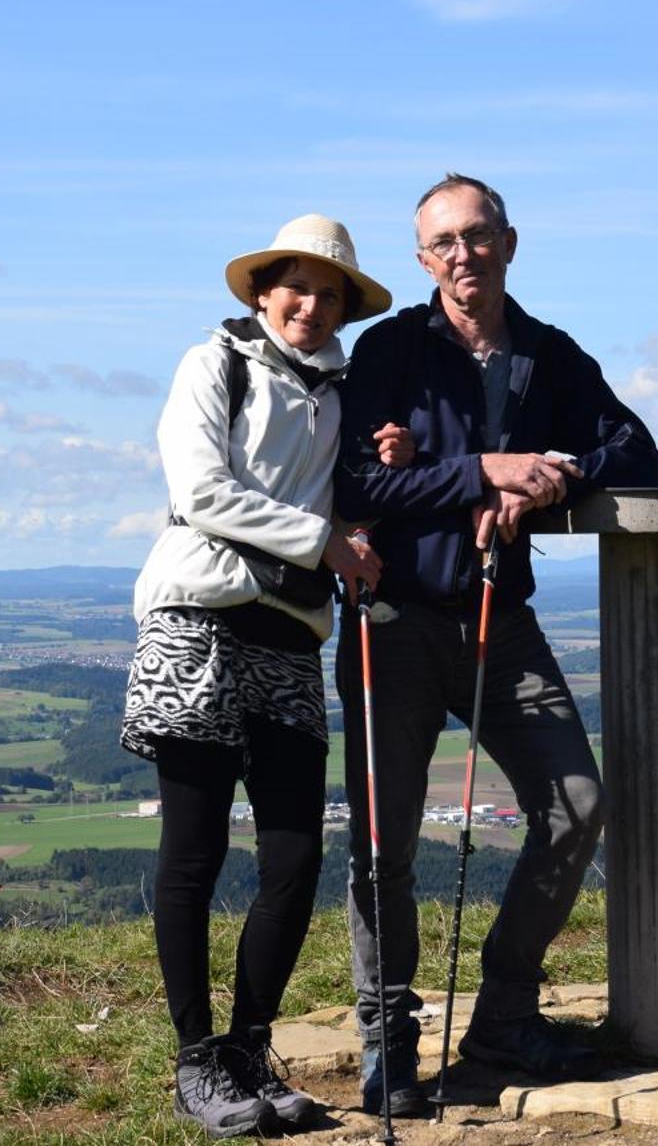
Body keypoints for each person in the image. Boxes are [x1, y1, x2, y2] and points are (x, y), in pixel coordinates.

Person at [334, 174, 658, 1114]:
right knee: (381, 844)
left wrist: (554, 476)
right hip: (391, 621)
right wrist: (479, 470)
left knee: (575, 804)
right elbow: (357, 486)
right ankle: (388, 1044)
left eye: (477, 236)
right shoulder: (390, 349)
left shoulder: (548, 354)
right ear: (421, 259)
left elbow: (638, 452)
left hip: (495, 619)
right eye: (443, 243)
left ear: (510, 243)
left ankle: (504, 1011)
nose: (462, 255)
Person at [122, 213, 396, 1139]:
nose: (311, 305)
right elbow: (197, 489)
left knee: (293, 857)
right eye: (297, 287)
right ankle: (198, 1060)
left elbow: (352, 494)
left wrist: (379, 464)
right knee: (193, 853)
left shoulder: (345, 391)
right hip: (196, 616)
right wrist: (322, 538)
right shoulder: (214, 364)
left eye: (329, 294)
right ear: (261, 290)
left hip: (286, 632)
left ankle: (246, 1050)